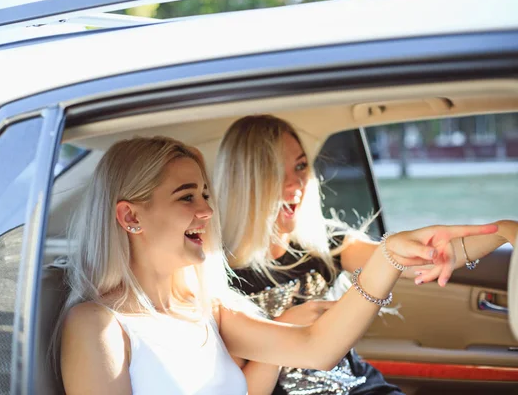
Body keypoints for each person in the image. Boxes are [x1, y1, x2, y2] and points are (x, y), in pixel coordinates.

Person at [54, 135, 502, 395]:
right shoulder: (99, 325)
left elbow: (314, 347)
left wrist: (386, 257)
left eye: (206, 195)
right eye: (186, 196)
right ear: (131, 216)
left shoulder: (207, 312)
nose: (207, 212)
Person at [213, 115, 517, 395]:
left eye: (301, 166)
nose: (295, 184)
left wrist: (503, 230)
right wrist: (285, 325)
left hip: (363, 387)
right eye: (274, 171)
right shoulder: (220, 278)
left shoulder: (326, 245)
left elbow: (422, 259)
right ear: (244, 180)